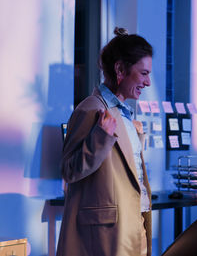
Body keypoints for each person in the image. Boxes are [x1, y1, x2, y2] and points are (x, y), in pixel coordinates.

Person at [57, 27, 154, 256]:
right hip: (106, 236)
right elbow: (69, 171)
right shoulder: (90, 109)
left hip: (132, 226)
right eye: (143, 73)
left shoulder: (124, 114)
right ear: (120, 69)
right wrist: (100, 138)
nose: (148, 82)